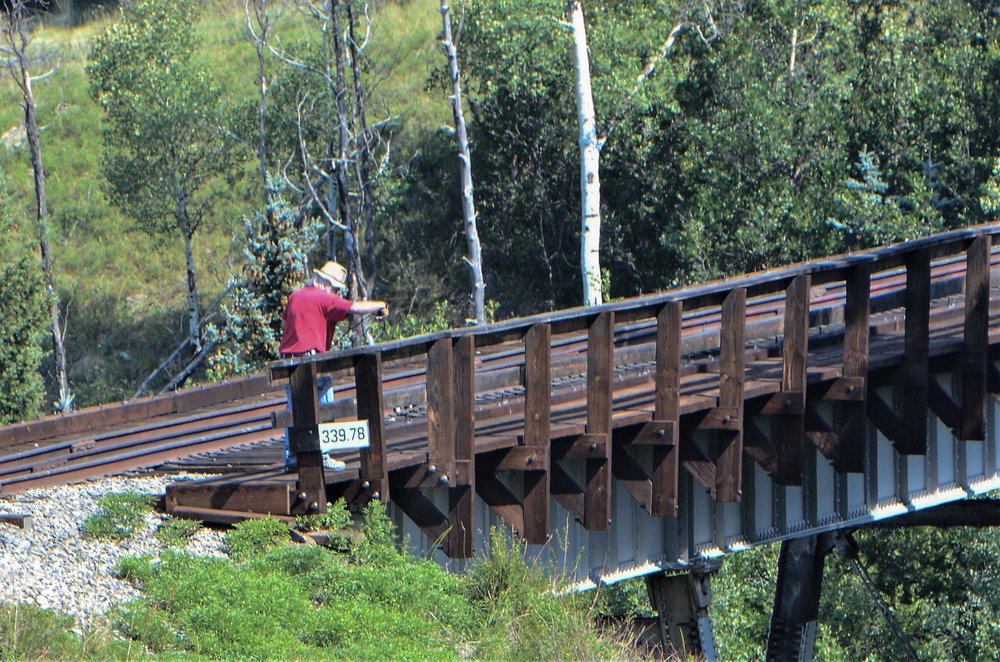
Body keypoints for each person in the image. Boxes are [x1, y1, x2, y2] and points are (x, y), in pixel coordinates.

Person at [279, 261, 388, 471]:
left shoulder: (296, 296)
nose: (337, 293)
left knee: (293, 409)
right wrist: (380, 305)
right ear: (327, 284)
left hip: (288, 361)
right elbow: (354, 307)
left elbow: (287, 324)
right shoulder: (324, 297)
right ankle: (324, 453)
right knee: (325, 404)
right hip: (311, 360)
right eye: (336, 289)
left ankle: (292, 457)